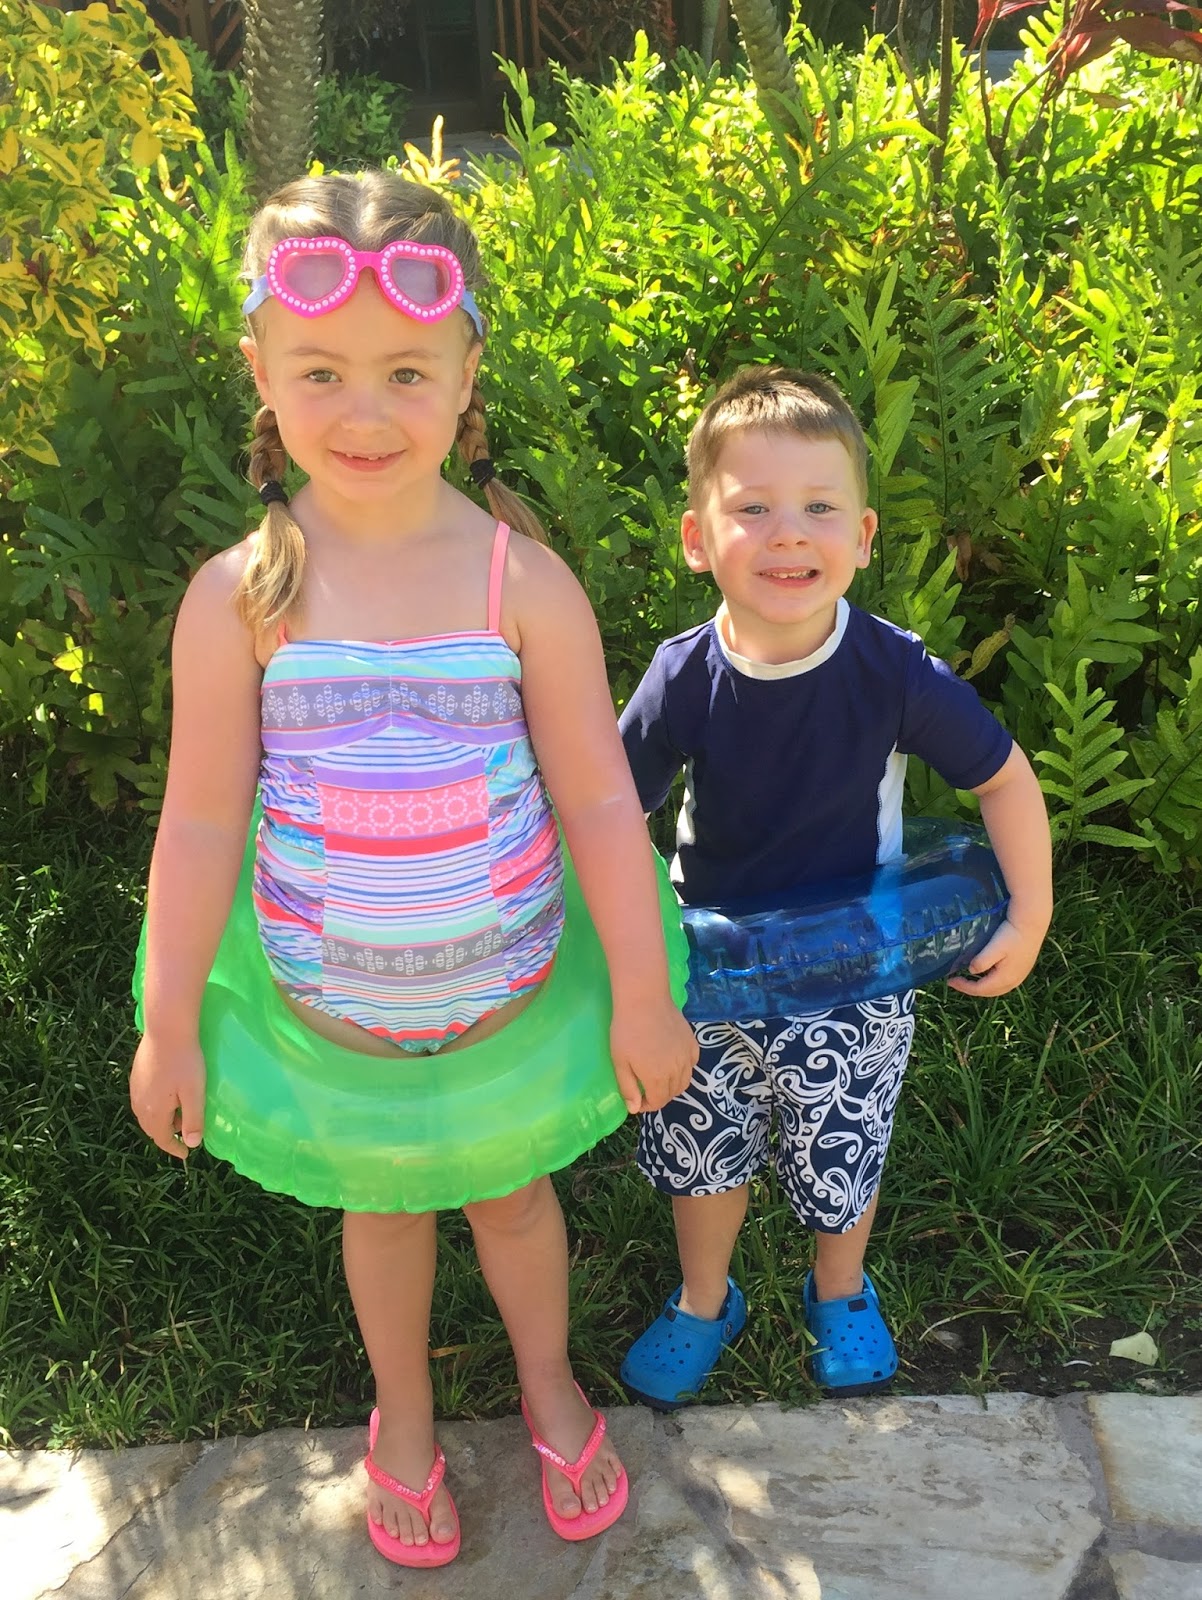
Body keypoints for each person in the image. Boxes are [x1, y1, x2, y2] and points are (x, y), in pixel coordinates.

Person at [129, 171, 697, 1567]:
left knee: (510, 1197)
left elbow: (599, 804)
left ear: (465, 378)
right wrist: (169, 1021)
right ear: (260, 370)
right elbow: (198, 823)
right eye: (320, 371)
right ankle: (403, 1411)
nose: (365, 412)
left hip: (506, 1000)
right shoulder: (240, 597)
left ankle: (547, 1384)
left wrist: (639, 994)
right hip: (335, 1015)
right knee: (381, 1209)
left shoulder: (520, 585)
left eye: (404, 373)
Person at [618, 366, 1052, 1408]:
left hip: (856, 969)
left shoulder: (892, 672)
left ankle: (839, 1288)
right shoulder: (681, 676)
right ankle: (704, 1298)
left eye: (818, 509)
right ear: (696, 538)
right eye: (752, 509)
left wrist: (1029, 913)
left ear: (860, 538)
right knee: (700, 1147)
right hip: (709, 972)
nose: (787, 536)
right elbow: (607, 813)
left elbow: (1003, 778)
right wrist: (624, 947)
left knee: (840, 1143)